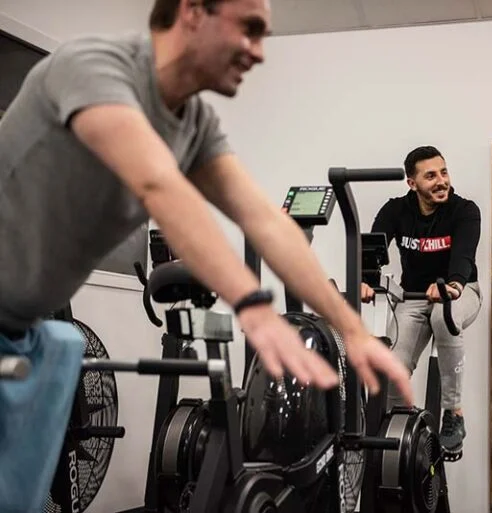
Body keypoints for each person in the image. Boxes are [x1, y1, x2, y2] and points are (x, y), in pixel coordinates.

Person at [0, 1, 412, 511]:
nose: (259, 52)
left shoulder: (193, 122)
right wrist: (255, 308)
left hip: (26, 329)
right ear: (193, 11)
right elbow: (158, 185)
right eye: (250, 29)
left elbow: (266, 221)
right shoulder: (94, 67)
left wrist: (351, 331)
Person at [360, 145, 482, 453]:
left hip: (460, 291)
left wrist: (453, 285)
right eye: (430, 176)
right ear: (412, 183)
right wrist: (364, 279)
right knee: (393, 365)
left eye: (444, 172)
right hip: (413, 296)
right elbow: (373, 251)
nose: (441, 181)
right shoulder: (395, 210)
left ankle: (453, 413)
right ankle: (401, 422)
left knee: (444, 315)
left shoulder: (465, 210)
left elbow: (464, 256)